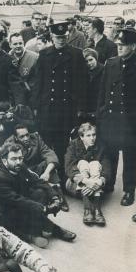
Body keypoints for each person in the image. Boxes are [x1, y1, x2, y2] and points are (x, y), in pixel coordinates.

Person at [0, 143, 76, 249]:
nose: (18, 162)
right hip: (7, 212)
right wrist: (44, 208)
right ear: (4, 160)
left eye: (20, 158)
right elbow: (17, 200)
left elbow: (38, 181)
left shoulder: (20, 166)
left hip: (21, 203)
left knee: (40, 192)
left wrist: (54, 197)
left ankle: (37, 230)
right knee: (29, 209)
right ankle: (43, 232)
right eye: (14, 159)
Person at [32, 22, 88, 182]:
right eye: (58, 37)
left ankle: (63, 180)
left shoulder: (77, 54)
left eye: (63, 37)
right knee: (46, 146)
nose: (61, 40)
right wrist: (35, 106)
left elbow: (83, 83)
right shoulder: (44, 54)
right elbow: (38, 82)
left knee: (63, 145)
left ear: (68, 36)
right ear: (52, 37)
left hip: (66, 108)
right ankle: (48, 179)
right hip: (47, 108)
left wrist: (80, 108)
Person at [97, 28, 136, 206]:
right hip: (111, 118)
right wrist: (100, 113)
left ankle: (128, 191)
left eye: (123, 45)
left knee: (130, 157)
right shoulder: (111, 63)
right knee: (111, 153)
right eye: (118, 45)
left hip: (130, 121)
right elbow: (103, 90)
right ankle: (109, 184)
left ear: (132, 46)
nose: (120, 48)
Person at [5, 124, 68, 211]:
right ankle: (51, 195)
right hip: (22, 172)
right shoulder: (10, 143)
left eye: (27, 135)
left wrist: (47, 173)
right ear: (16, 137)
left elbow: (49, 153)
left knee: (48, 164)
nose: (26, 138)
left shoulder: (36, 138)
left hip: (36, 168)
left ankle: (58, 194)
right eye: (22, 137)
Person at [65, 123, 111, 226]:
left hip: (96, 185)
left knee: (95, 164)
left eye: (94, 135)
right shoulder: (73, 145)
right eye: (88, 135)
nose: (92, 138)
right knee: (83, 163)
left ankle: (92, 211)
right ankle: (90, 209)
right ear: (81, 137)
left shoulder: (101, 146)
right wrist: (86, 181)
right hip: (75, 184)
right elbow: (68, 167)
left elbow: (107, 167)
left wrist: (98, 182)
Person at [82, 48, 104, 121]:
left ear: (96, 58)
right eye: (86, 61)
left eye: (91, 59)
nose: (89, 63)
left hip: (99, 108)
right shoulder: (83, 72)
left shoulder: (104, 70)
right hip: (86, 109)